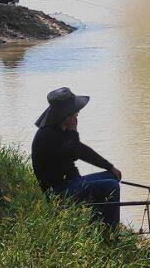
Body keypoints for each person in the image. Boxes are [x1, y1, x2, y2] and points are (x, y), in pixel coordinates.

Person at [30, 87, 121, 228]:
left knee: (111, 176)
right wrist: (73, 130)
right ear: (66, 115)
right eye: (75, 113)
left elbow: (82, 151)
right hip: (59, 192)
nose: (77, 115)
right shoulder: (47, 135)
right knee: (112, 186)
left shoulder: (60, 130)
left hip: (73, 182)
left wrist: (110, 167)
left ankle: (97, 225)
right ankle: (109, 233)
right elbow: (73, 154)